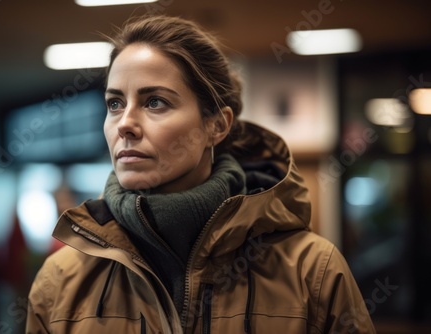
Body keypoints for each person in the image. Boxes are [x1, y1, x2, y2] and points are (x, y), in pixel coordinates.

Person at [26, 15, 376, 333]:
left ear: (216, 125)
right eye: (115, 103)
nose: (125, 124)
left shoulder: (311, 271)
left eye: (154, 102)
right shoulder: (60, 281)